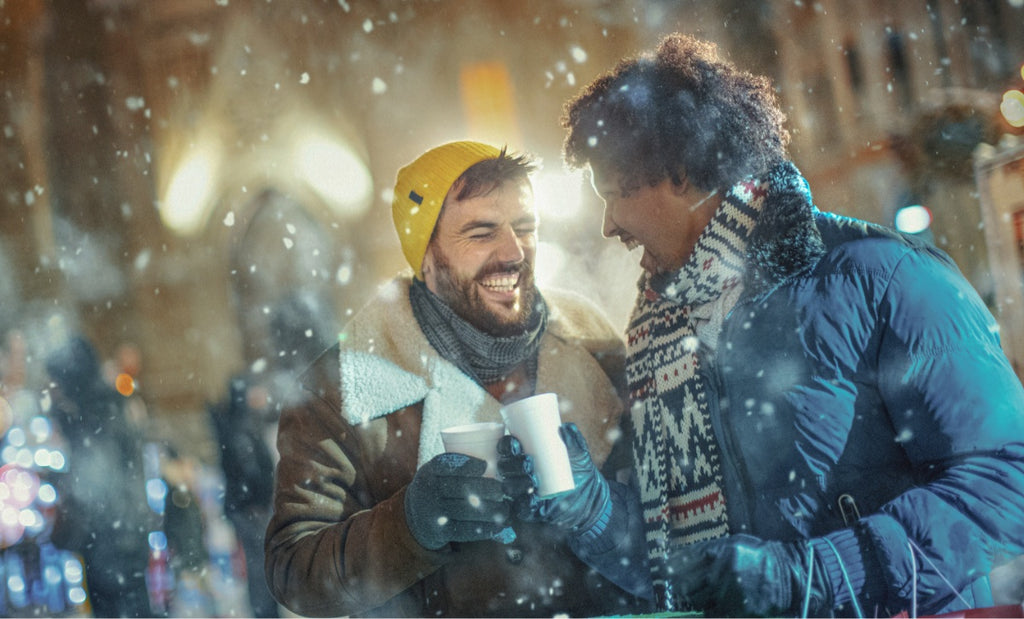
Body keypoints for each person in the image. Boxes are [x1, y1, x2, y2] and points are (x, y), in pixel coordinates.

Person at [497, 33, 1024, 617]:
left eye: (617, 194)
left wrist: (810, 577)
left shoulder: (884, 277)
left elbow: (1005, 486)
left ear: (680, 173)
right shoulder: (662, 327)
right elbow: (691, 571)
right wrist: (588, 507)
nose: (608, 224)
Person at [264, 140, 635, 617]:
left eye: (526, 228)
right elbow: (292, 571)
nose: (514, 252)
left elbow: (667, 517)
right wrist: (410, 525)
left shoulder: (594, 343)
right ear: (426, 254)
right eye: (481, 233)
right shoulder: (343, 384)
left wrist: (598, 508)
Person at [45, 334, 154, 618]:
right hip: (120, 535)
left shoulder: (95, 415)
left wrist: (58, 481)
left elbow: (94, 482)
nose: (53, 390)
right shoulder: (104, 406)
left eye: (57, 382)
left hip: (113, 539)